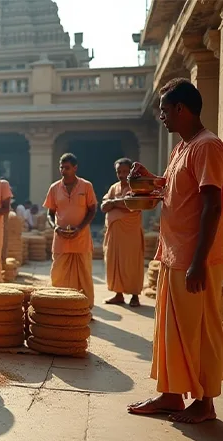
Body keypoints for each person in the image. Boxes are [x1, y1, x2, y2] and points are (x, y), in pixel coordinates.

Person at [127, 78, 223, 424]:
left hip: (196, 259)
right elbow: (174, 190)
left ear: (181, 109)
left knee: (200, 331)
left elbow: (213, 204)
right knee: (170, 333)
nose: (162, 118)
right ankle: (171, 395)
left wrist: (198, 261)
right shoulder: (181, 148)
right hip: (172, 254)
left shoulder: (207, 146)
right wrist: (149, 180)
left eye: (165, 111)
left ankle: (205, 401)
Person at [43, 153, 97, 307]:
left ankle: (84, 308)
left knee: (84, 275)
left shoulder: (86, 186)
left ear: (75, 168)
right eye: (61, 167)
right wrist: (55, 227)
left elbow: (92, 210)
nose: (63, 170)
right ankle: (60, 306)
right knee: (58, 274)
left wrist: (80, 228)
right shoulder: (54, 188)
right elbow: (50, 213)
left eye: (67, 168)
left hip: (81, 238)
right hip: (60, 238)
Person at [102, 158, 144, 307]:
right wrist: (117, 203)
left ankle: (135, 296)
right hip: (114, 233)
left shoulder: (137, 187)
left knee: (132, 263)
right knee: (114, 262)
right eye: (119, 171)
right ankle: (118, 294)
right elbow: (103, 206)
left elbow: (132, 204)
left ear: (131, 172)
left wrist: (114, 203)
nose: (122, 174)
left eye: (125, 171)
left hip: (131, 233)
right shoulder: (114, 188)